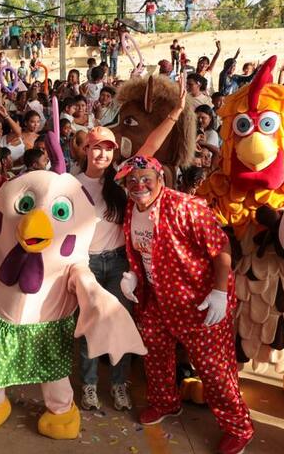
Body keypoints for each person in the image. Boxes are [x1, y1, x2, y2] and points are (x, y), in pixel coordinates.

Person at [116, 156, 254, 454]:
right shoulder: (131, 208)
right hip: (155, 298)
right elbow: (141, 248)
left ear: (160, 179)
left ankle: (238, 427)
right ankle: (165, 402)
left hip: (197, 301)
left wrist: (219, 292)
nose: (139, 186)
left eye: (145, 179)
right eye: (132, 180)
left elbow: (221, 247)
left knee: (214, 368)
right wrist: (134, 274)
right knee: (155, 355)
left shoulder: (185, 207)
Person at [74, 127, 133, 411]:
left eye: (108, 149)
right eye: (97, 147)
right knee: (91, 327)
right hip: (87, 264)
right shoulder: (71, 185)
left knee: (120, 326)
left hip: (119, 263)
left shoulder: (121, 183)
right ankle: (89, 385)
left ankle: (119, 384)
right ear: (86, 149)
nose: (102, 154)